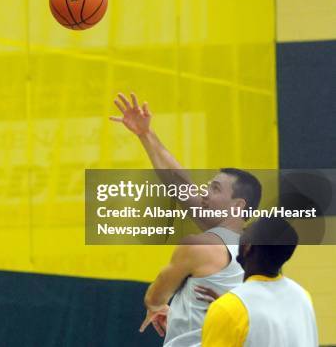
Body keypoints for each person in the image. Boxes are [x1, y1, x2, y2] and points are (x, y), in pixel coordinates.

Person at [110, 92, 262, 346]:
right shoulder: (257, 250)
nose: (203, 191)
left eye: (214, 189)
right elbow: (181, 185)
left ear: (237, 205)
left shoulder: (201, 245)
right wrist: (145, 134)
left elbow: (155, 296)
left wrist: (158, 305)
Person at [201, 217, 318, 347]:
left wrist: (228, 310)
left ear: (248, 247)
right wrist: (234, 307)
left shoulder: (228, 308)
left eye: (245, 231)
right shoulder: (303, 297)